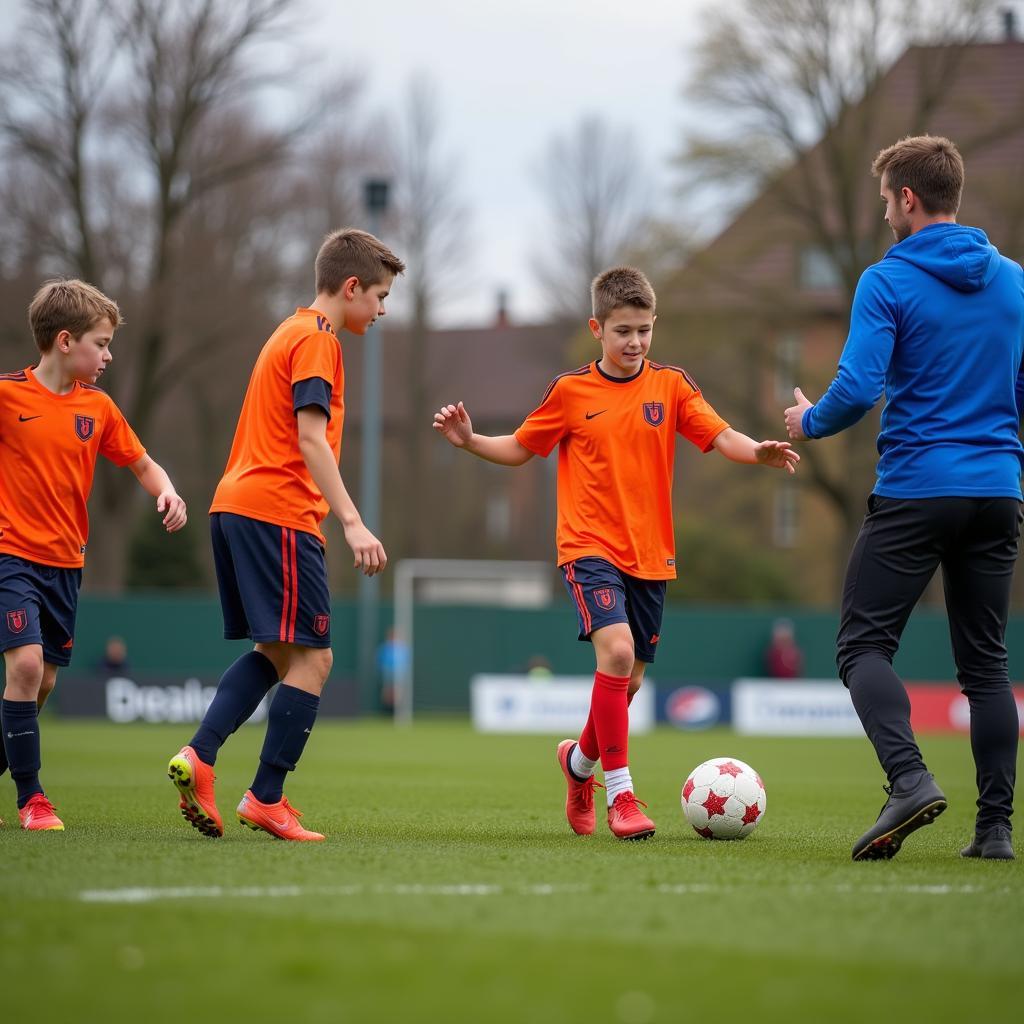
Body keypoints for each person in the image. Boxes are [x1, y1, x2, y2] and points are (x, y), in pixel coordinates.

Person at [435, 266, 798, 840]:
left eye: (645, 330)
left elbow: (720, 434)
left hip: (650, 556)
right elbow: (522, 448)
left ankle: (579, 767)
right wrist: (472, 441)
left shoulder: (672, 385)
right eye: (624, 330)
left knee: (625, 684)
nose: (635, 342)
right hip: (588, 547)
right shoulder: (571, 391)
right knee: (619, 653)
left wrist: (759, 452)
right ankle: (621, 797)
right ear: (597, 329)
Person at [784, 135, 1024, 862]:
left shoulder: (885, 281)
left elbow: (857, 387)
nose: (885, 210)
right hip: (997, 493)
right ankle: (995, 832)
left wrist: (810, 420)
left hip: (919, 489)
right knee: (985, 667)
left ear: (909, 199)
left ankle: (909, 778)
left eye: (887, 198)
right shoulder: (1014, 281)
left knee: (862, 645)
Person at [167, 228, 404, 843]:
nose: (382, 310)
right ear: (350, 287)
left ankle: (199, 755)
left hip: (234, 506)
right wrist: (351, 520)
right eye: (379, 296)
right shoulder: (319, 340)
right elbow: (310, 438)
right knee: (316, 657)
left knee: (276, 653)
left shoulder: (288, 328)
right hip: (277, 513)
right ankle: (266, 797)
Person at [0, 279, 187, 831]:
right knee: (27, 667)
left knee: (45, 683)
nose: (107, 357)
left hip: (66, 565)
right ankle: (32, 799)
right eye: (101, 344)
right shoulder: (7, 396)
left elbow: (143, 464)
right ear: (64, 341)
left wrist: (168, 491)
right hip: (11, 556)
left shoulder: (98, 408)